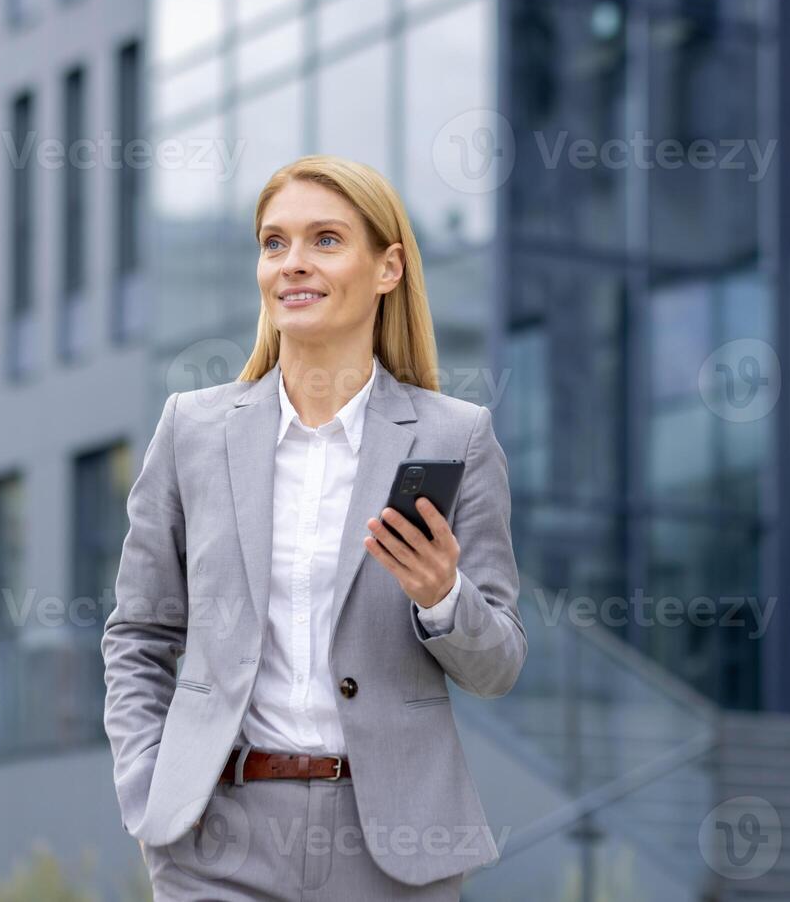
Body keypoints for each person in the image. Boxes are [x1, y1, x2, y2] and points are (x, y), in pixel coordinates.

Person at [101, 154, 526, 900]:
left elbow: (499, 666)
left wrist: (441, 597)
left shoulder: (454, 438)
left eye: (326, 240)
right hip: (215, 841)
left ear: (388, 267)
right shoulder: (192, 431)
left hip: (394, 845)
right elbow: (140, 633)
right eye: (275, 243)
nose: (293, 264)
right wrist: (146, 788)